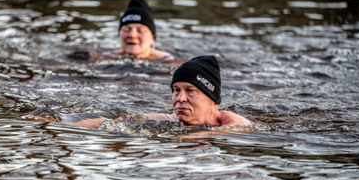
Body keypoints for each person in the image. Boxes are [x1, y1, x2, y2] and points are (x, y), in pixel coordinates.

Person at [32, 55, 252, 129]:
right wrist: (63, 124)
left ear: (212, 99)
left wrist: (200, 135)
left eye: (190, 90)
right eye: (176, 90)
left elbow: (238, 130)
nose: (180, 98)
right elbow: (119, 121)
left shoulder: (231, 122)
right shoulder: (170, 119)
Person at [94, 0, 174, 62]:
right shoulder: (102, 59)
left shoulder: (167, 61)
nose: (132, 35)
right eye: (126, 30)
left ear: (152, 39)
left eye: (140, 30)